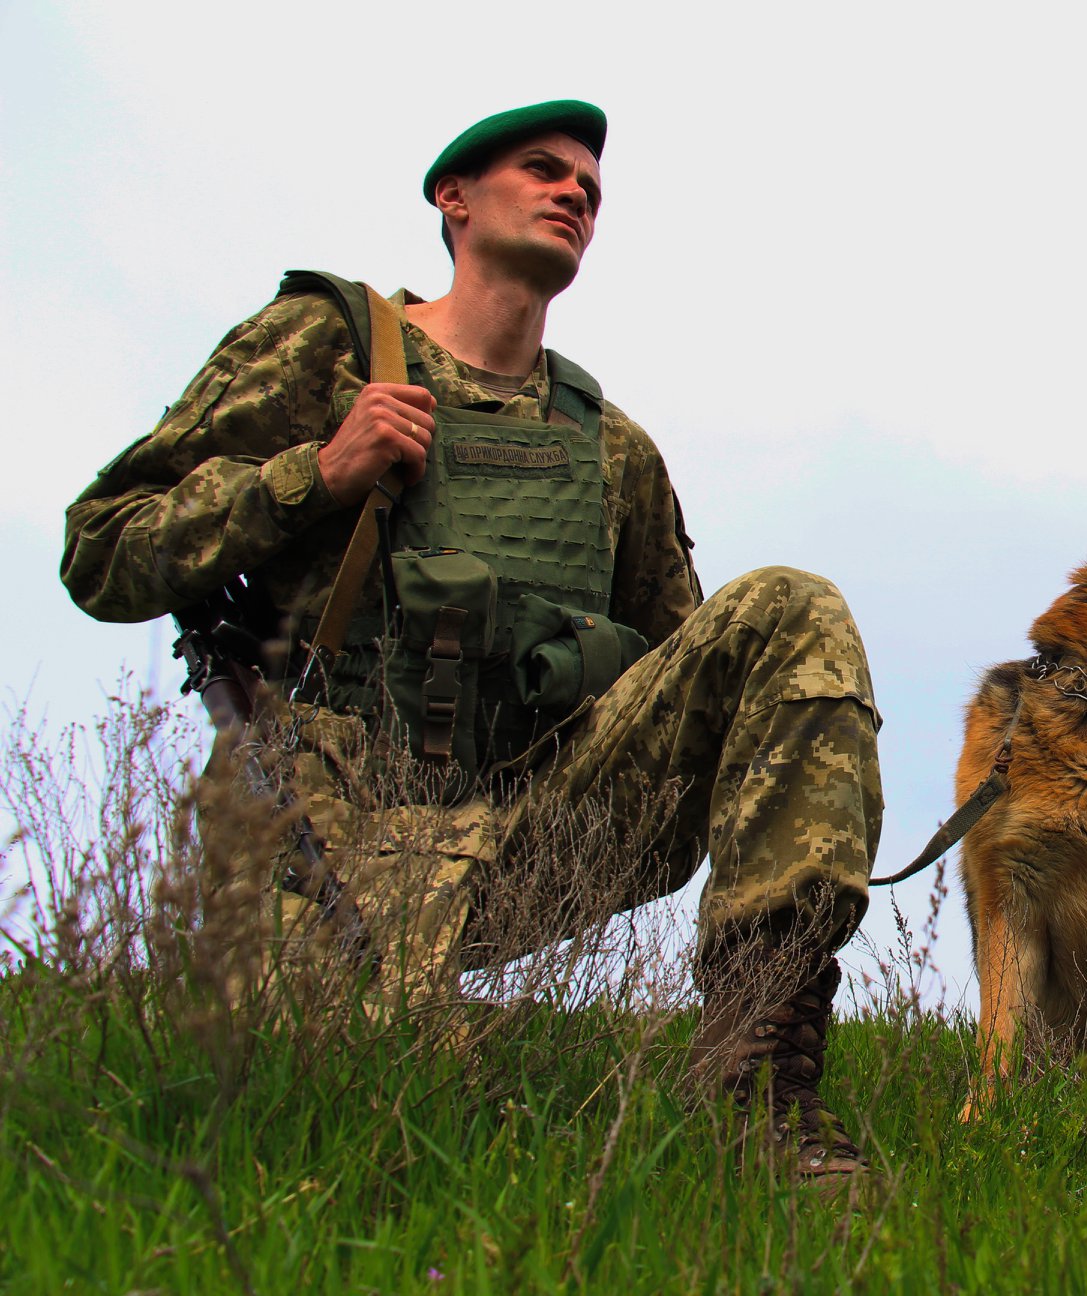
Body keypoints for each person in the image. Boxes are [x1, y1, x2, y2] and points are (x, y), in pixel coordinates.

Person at [60, 101, 880, 1181]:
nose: (574, 194)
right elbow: (102, 550)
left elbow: (700, 681)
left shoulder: (610, 447)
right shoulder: (329, 346)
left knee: (788, 609)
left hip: (532, 825)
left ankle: (755, 1086)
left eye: (590, 188)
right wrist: (316, 472)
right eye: (544, 170)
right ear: (454, 199)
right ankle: (415, 1016)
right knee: (326, 1110)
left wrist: (807, 820)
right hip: (327, 837)